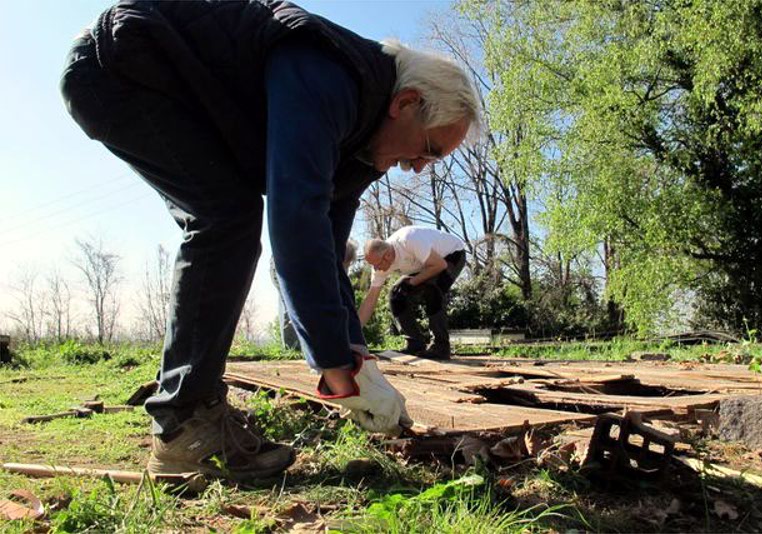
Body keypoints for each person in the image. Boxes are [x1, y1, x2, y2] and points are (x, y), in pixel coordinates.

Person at [59, 0, 480, 483]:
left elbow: (325, 252)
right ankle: (184, 428)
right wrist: (334, 366)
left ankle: (188, 414)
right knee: (226, 218)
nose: (420, 167)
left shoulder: (363, 150)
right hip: (119, 64)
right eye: (428, 149)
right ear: (404, 103)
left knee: (229, 214)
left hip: (175, 87)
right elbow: (295, 220)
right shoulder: (329, 74)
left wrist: (358, 360)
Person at [359, 226, 467, 360]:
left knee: (433, 288)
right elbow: (371, 299)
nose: (376, 269)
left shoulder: (410, 240)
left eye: (376, 265)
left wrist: (412, 282)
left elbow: (440, 265)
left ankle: (441, 347)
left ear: (387, 256)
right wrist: (354, 331)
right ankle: (415, 343)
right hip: (424, 264)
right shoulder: (380, 264)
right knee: (397, 293)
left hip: (451, 255)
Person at [271, 240, 358, 350]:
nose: (346, 269)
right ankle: (293, 348)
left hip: (303, 263)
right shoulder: (317, 253)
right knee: (292, 304)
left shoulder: (333, 256)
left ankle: (316, 346)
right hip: (286, 263)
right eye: (345, 264)